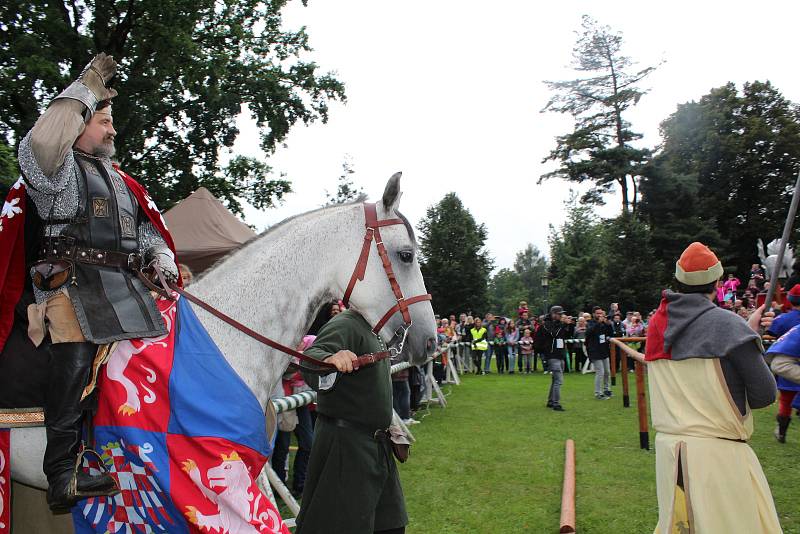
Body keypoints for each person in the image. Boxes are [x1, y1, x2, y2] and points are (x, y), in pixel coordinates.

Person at [5, 54, 179, 512]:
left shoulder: (125, 183)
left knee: (174, 344)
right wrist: (86, 89)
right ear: (77, 128)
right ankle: (62, 469)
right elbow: (39, 145)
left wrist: (161, 262)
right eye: (104, 121)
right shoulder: (57, 176)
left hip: (126, 290)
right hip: (67, 288)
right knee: (77, 348)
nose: (112, 130)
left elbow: (149, 237)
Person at [645, 242, 781, 533]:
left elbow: (705, 341)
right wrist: (748, 336)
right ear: (718, 283)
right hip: (718, 459)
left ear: (679, 281)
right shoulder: (729, 326)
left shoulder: (657, 325)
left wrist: (746, 330)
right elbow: (763, 394)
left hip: (670, 453)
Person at [297, 308, 409, 534]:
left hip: (377, 448)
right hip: (346, 449)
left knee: (391, 526)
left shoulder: (373, 327)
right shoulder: (346, 322)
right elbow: (311, 358)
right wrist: (329, 359)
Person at [272, 336, 316, 496]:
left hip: (300, 402)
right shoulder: (284, 345)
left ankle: (300, 484)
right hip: (284, 400)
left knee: (308, 443)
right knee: (282, 446)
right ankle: (279, 487)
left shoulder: (312, 343)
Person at [766, 284, 800, 443]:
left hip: (787, 368)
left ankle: (781, 432)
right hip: (792, 364)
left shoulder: (782, 319)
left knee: (785, 402)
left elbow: (769, 334)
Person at [540, 306, 569, 411]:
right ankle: (556, 404)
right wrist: (563, 324)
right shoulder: (547, 324)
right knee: (559, 380)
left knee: (555, 380)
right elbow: (554, 334)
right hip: (552, 355)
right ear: (553, 314)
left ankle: (551, 401)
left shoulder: (559, 324)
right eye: (559, 314)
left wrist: (567, 326)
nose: (561, 316)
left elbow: (565, 335)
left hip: (560, 354)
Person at [586, 307, 614, 399]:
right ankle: (598, 393)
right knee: (600, 372)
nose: (600, 315)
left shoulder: (603, 323)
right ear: (593, 314)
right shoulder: (590, 323)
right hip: (594, 351)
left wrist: (609, 324)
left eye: (601, 313)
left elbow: (610, 333)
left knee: (607, 371)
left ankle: (607, 390)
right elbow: (589, 332)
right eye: (598, 313)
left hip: (603, 350)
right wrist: (598, 323)